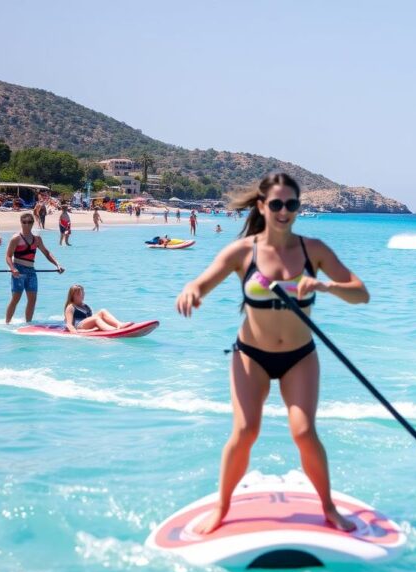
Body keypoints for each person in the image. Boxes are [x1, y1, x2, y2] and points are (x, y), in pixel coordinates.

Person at [176, 172, 369, 534]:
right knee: (246, 430)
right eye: (276, 204)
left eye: (291, 204)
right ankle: (222, 506)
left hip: (300, 356)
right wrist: (192, 291)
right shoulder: (242, 252)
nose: (284, 211)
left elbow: (361, 293)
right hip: (252, 354)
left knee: (304, 432)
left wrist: (325, 286)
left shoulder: (315, 250)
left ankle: (328, 507)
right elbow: (202, 281)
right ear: (263, 206)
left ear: (298, 207)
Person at [5, 212, 65, 323]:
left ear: (33, 223)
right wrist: (13, 268)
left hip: (31, 272)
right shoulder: (16, 238)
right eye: (24, 222)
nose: (27, 225)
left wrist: (57, 264)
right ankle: (7, 322)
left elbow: (47, 253)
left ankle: (28, 323)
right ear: (21, 223)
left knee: (32, 300)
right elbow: (8, 256)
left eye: (29, 222)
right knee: (16, 299)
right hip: (18, 271)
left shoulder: (37, 239)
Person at [63, 284, 132, 332]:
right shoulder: (71, 307)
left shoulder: (85, 306)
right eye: (78, 294)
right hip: (79, 326)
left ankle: (119, 325)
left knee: (102, 311)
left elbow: (90, 319)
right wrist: (76, 333)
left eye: (82, 293)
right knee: (96, 318)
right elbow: (69, 324)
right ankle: (113, 330)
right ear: (72, 296)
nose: (82, 295)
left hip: (86, 324)